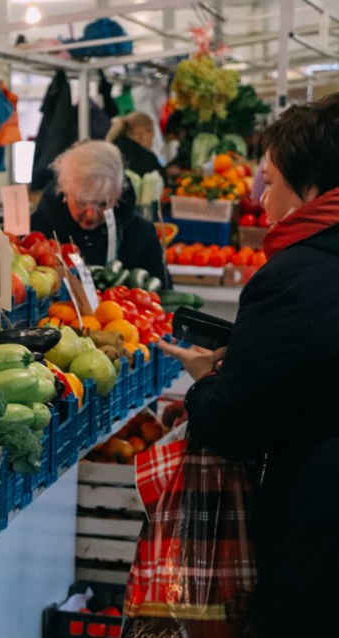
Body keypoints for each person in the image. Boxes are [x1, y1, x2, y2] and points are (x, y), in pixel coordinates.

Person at [160, 93, 339, 637]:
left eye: (270, 180)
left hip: (319, 528)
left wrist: (203, 382)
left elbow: (234, 426)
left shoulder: (291, 278)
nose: (261, 198)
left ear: (310, 189)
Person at [31, 140, 168, 284]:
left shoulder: (141, 236)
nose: (91, 214)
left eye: (103, 204)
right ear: (65, 191)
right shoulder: (36, 233)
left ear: (118, 195)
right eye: (82, 202)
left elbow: (163, 293)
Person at [104, 111, 163, 176]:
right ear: (142, 132)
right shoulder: (146, 159)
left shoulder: (110, 149)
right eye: (152, 137)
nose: (151, 143)